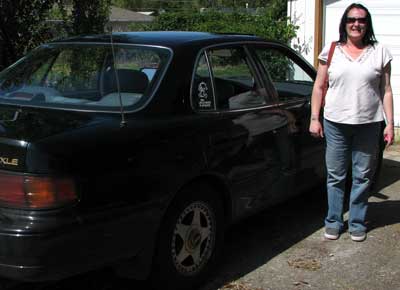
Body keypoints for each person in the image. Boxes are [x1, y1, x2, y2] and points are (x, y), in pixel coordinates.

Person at [309, 3, 395, 242]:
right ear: (344, 23)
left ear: (368, 25)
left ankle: (357, 221)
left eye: (361, 20)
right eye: (351, 19)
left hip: (369, 124)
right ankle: (334, 221)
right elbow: (319, 86)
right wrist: (315, 118)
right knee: (336, 175)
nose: (356, 24)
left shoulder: (380, 51)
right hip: (336, 123)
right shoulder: (332, 50)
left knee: (363, 176)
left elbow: (386, 90)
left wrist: (390, 123)